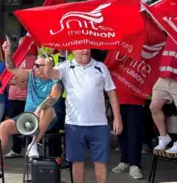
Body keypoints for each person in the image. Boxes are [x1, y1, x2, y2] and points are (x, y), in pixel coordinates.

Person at [0, 38, 62, 173]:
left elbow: (53, 97)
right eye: (35, 65)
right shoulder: (31, 74)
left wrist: (39, 108)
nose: (34, 68)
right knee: (4, 126)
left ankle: (34, 144)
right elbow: (11, 68)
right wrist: (7, 52)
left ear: (48, 67)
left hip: (49, 119)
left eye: (38, 65)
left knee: (47, 109)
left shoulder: (56, 79)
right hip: (29, 118)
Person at [45, 49, 123, 183]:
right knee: (77, 162)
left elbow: (111, 92)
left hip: (99, 124)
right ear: (74, 51)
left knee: (101, 163)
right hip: (74, 125)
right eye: (81, 47)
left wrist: (117, 117)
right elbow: (50, 74)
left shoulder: (101, 67)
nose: (85, 50)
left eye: (87, 47)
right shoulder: (66, 66)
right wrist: (48, 65)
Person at [3, 37, 36, 159]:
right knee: (14, 125)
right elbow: (5, 79)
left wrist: (24, 81)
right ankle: (16, 149)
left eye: (26, 45)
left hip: (28, 99)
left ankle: (30, 149)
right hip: (14, 98)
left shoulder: (33, 60)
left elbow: (34, 79)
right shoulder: (14, 60)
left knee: (29, 125)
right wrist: (17, 81)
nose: (24, 47)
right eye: (21, 45)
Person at [111, 88, 146, 179]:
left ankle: (134, 165)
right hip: (117, 98)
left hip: (135, 100)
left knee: (135, 134)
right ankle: (124, 160)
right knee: (120, 131)